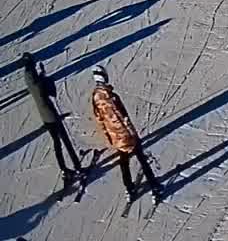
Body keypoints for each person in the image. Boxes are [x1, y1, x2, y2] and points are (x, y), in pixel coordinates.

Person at [90, 67, 160, 200]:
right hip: (126, 135)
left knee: (124, 162)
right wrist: (133, 134)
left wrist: (108, 136)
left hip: (115, 136)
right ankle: (154, 186)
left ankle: (129, 188)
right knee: (141, 159)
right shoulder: (113, 97)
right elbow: (124, 117)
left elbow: (99, 119)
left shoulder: (95, 97)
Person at [21, 51, 85, 187]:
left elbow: (37, 84)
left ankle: (64, 169)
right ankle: (78, 167)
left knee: (57, 143)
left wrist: (41, 76)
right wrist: (45, 77)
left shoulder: (27, 76)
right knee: (65, 141)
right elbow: (50, 91)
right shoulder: (37, 82)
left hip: (44, 117)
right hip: (51, 114)